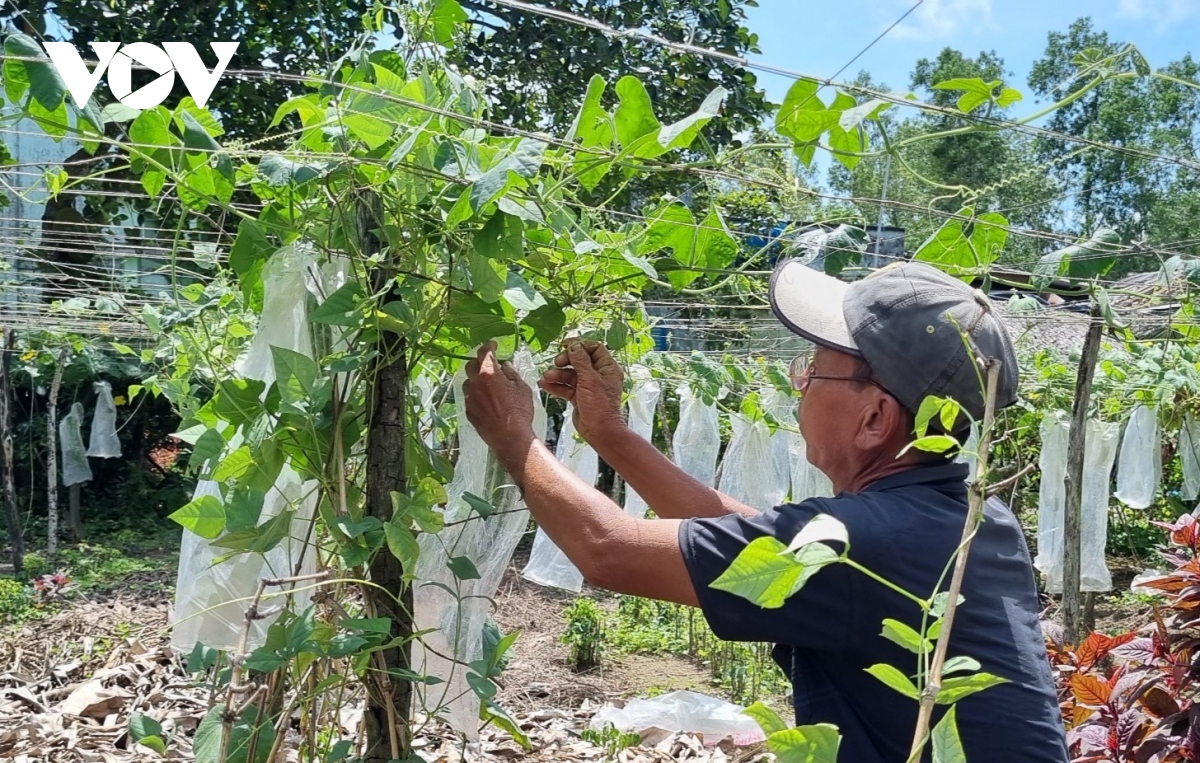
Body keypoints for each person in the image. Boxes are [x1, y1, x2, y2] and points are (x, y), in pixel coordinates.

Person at [462, 259, 1068, 763]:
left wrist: (515, 436)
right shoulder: (971, 522)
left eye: (816, 367)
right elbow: (755, 540)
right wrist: (609, 433)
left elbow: (608, 550)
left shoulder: (873, 541)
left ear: (875, 418)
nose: (800, 381)